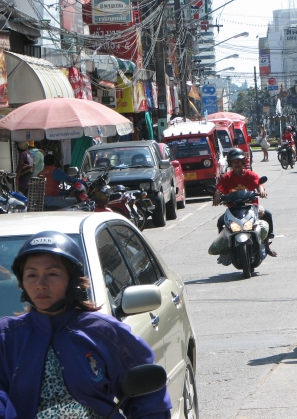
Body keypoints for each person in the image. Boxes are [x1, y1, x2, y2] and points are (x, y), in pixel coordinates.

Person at [0, 231, 172, 418]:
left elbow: (148, 397)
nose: (40, 284)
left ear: (73, 281)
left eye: (52, 274)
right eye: (31, 275)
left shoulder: (105, 331)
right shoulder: (6, 336)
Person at [213, 148, 277, 258]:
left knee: (267, 214)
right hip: (233, 209)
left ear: (243, 162)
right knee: (220, 222)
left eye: (238, 161)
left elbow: (259, 184)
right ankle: (225, 250)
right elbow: (219, 188)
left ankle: (267, 247)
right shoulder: (226, 177)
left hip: (251, 207)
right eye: (233, 161)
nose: (236, 164)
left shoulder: (250, 175)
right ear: (230, 163)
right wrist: (217, 195)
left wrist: (261, 190)